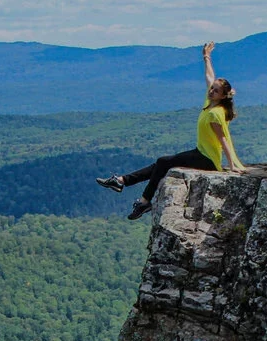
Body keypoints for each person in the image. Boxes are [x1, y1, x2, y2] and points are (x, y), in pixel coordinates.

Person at [97, 41, 245, 219]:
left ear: (222, 96)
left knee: (163, 161)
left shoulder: (215, 113)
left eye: (215, 91)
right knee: (160, 164)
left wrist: (231, 166)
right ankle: (121, 181)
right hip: (201, 153)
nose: (211, 91)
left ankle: (144, 201)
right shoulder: (210, 104)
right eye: (212, 88)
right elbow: (209, 76)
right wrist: (206, 57)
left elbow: (223, 140)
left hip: (207, 159)